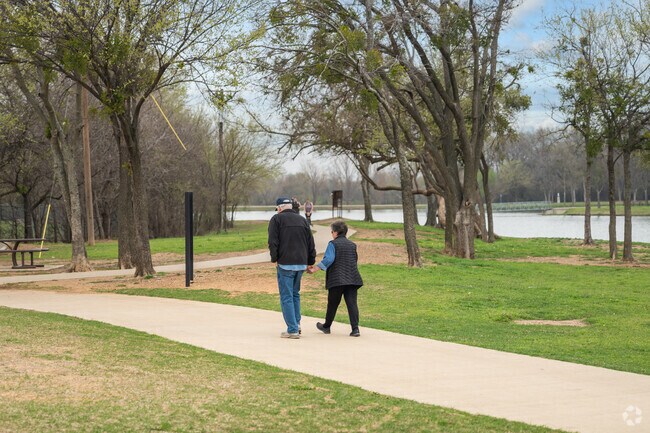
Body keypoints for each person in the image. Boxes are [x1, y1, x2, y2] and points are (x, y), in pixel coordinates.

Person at [268, 197, 316, 339]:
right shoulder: (302, 220)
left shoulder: (276, 220)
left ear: (280, 208)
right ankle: (297, 324)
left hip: (285, 263)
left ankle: (293, 329)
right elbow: (310, 242)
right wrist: (310, 260)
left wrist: (274, 258)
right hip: (301, 263)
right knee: (295, 294)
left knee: (287, 296)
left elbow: (273, 241)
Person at [308, 220, 363, 337]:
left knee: (332, 304)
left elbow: (329, 259)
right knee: (352, 303)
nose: (331, 233)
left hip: (337, 279)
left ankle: (327, 326)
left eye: (332, 231)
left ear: (336, 232)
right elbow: (354, 260)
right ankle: (355, 329)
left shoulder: (332, 244)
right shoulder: (352, 245)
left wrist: (315, 268)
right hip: (352, 278)